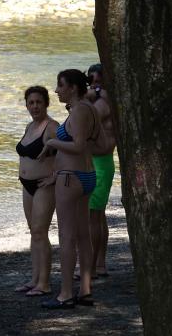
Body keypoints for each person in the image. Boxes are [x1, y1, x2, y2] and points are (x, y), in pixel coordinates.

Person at [38, 69, 99, 309]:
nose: (56, 90)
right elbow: (97, 143)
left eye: (60, 85)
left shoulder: (81, 110)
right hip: (86, 175)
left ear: (73, 88)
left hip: (70, 179)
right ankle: (85, 290)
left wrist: (53, 141)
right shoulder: (89, 109)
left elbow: (79, 146)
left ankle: (65, 294)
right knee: (83, 235)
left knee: (67, 236)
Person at [15, 86, 58, 297]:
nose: (35, 106)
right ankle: (34, 279)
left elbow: (69, 153)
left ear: (46, 103)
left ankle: (44, 283)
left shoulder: (52, 127)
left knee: (41, 231)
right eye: (31, 103)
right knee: (34, 232)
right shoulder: (29, 126)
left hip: (44, 186)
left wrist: (55, 177)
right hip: (27, 185)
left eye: (39, 102)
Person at [86, 63, 116, 278]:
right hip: (97, 161)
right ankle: (100, 264)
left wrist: (90, 95)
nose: (95, 86)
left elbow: (85, 120)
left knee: (92, 217)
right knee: (98, 216)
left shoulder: (103, 103)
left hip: (100, 163)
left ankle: (91, 266)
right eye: (92, 82)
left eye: (99, 83)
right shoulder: (101, 100)